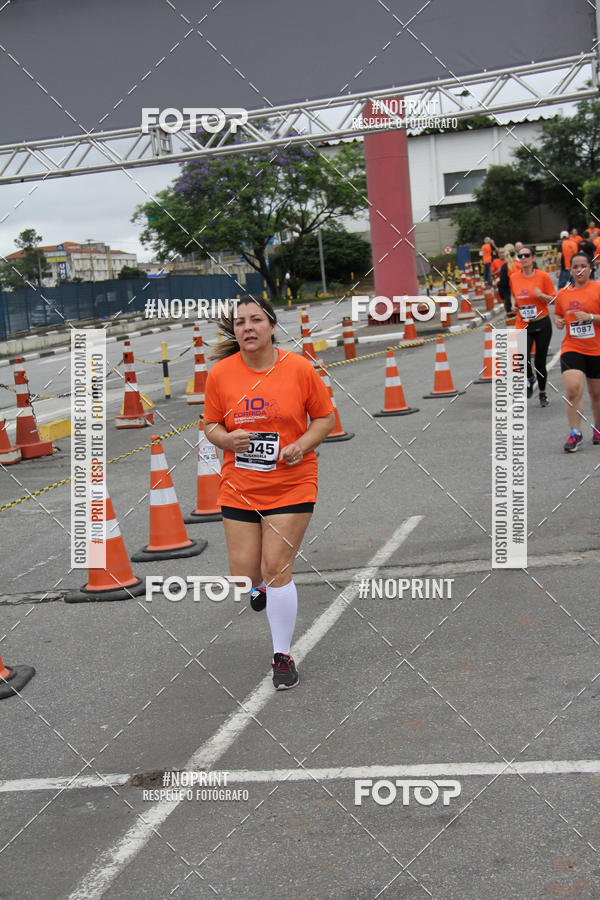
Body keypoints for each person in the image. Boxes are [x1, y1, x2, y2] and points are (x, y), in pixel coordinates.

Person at [203, 296, 335, 689]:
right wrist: (228, 439)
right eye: (240, 322)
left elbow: (325, 418)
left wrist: (301, 445)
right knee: (245, 573)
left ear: (272, 326)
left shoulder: (297, 369)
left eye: (256, 320)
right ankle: (258, 587)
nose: (248, 327)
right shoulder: (220, 375)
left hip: (292, 482)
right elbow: (210, 425)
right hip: (240, 486)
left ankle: (282, 656)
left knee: (277, 565)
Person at [553, 252, 600, 452]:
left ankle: (597, 428)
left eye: (583, 266)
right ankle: (575, 433)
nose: (579, 270)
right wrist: (558, 321)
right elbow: (557, 314)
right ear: (570, 269)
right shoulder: (564, 293)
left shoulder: (598, 289)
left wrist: (590, 317)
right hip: (572, 347)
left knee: (596, 394)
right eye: (575, 266)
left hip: (596, 348)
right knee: (572, 390)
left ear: (590, 268)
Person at [509, 246, 556, 407]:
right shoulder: (514, 277)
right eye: (520, 256)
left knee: (540, 362)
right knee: (522, 358)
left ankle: (542, 393)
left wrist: (541, 295)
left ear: (533, 258)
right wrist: (514, 305)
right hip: (523, 323)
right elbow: (514, 295)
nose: (523, 258)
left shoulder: (543, 276)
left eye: (526, 255)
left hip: (542, 323)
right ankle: (529, 378)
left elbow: (554, 300)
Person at [497, 243, 521, 314]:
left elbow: (503, 283)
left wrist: (498, 283)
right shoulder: (520, 264)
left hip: (510, 296)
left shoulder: (505, 267)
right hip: (522, 294)